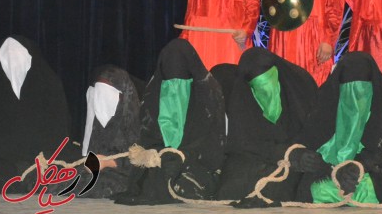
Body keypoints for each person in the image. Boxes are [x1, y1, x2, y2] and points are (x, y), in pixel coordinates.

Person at [116, 39, 225, 204]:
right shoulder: (153, 96)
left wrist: (183, 156)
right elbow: (148, 137)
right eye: (169, 81)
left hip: (197, 163)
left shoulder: (206, 95)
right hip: (161, 160)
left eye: (180, 81)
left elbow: (211, 145)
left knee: (187, 182)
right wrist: (157, 153)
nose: (175, 86)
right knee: (152, 180)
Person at [293, 52, 382, 205]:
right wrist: (325, 166)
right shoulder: (325, 104)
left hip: (369, 174)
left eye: (363, 91)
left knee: (371, 190)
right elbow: (309, 141)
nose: (355, 99)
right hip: (329, 173)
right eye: (348, 90)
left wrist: (361, 165)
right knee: (318, 189)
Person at [0, 36, 71, 194]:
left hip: (44, 157)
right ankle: (25, 182)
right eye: (7, 57)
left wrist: (41, 156)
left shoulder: (49, 83)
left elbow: (59, 128)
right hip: (8, 160)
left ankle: (29, 181)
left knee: (58, 172)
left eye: (17, 56)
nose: (12, 62)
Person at [216, 48, 318, 204]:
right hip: (256, 154)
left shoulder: (299, 87)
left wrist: (295, 154)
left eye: (268, 81)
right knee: (232, 188)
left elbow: (312, 132)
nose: (265, 90)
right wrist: (280, 152)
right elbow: (241, 142)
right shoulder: (241, 95)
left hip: (295, 157)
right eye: (257, 86)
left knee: (275, 190)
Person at [79, 65, 141, 199]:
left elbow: (140, 160)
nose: (101, 99)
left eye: (106, 94)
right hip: (99, 172)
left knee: (100, 184)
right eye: (99, 93)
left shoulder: (135, 121)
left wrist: (109, 162)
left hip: (124, 175)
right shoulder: (99, 123)